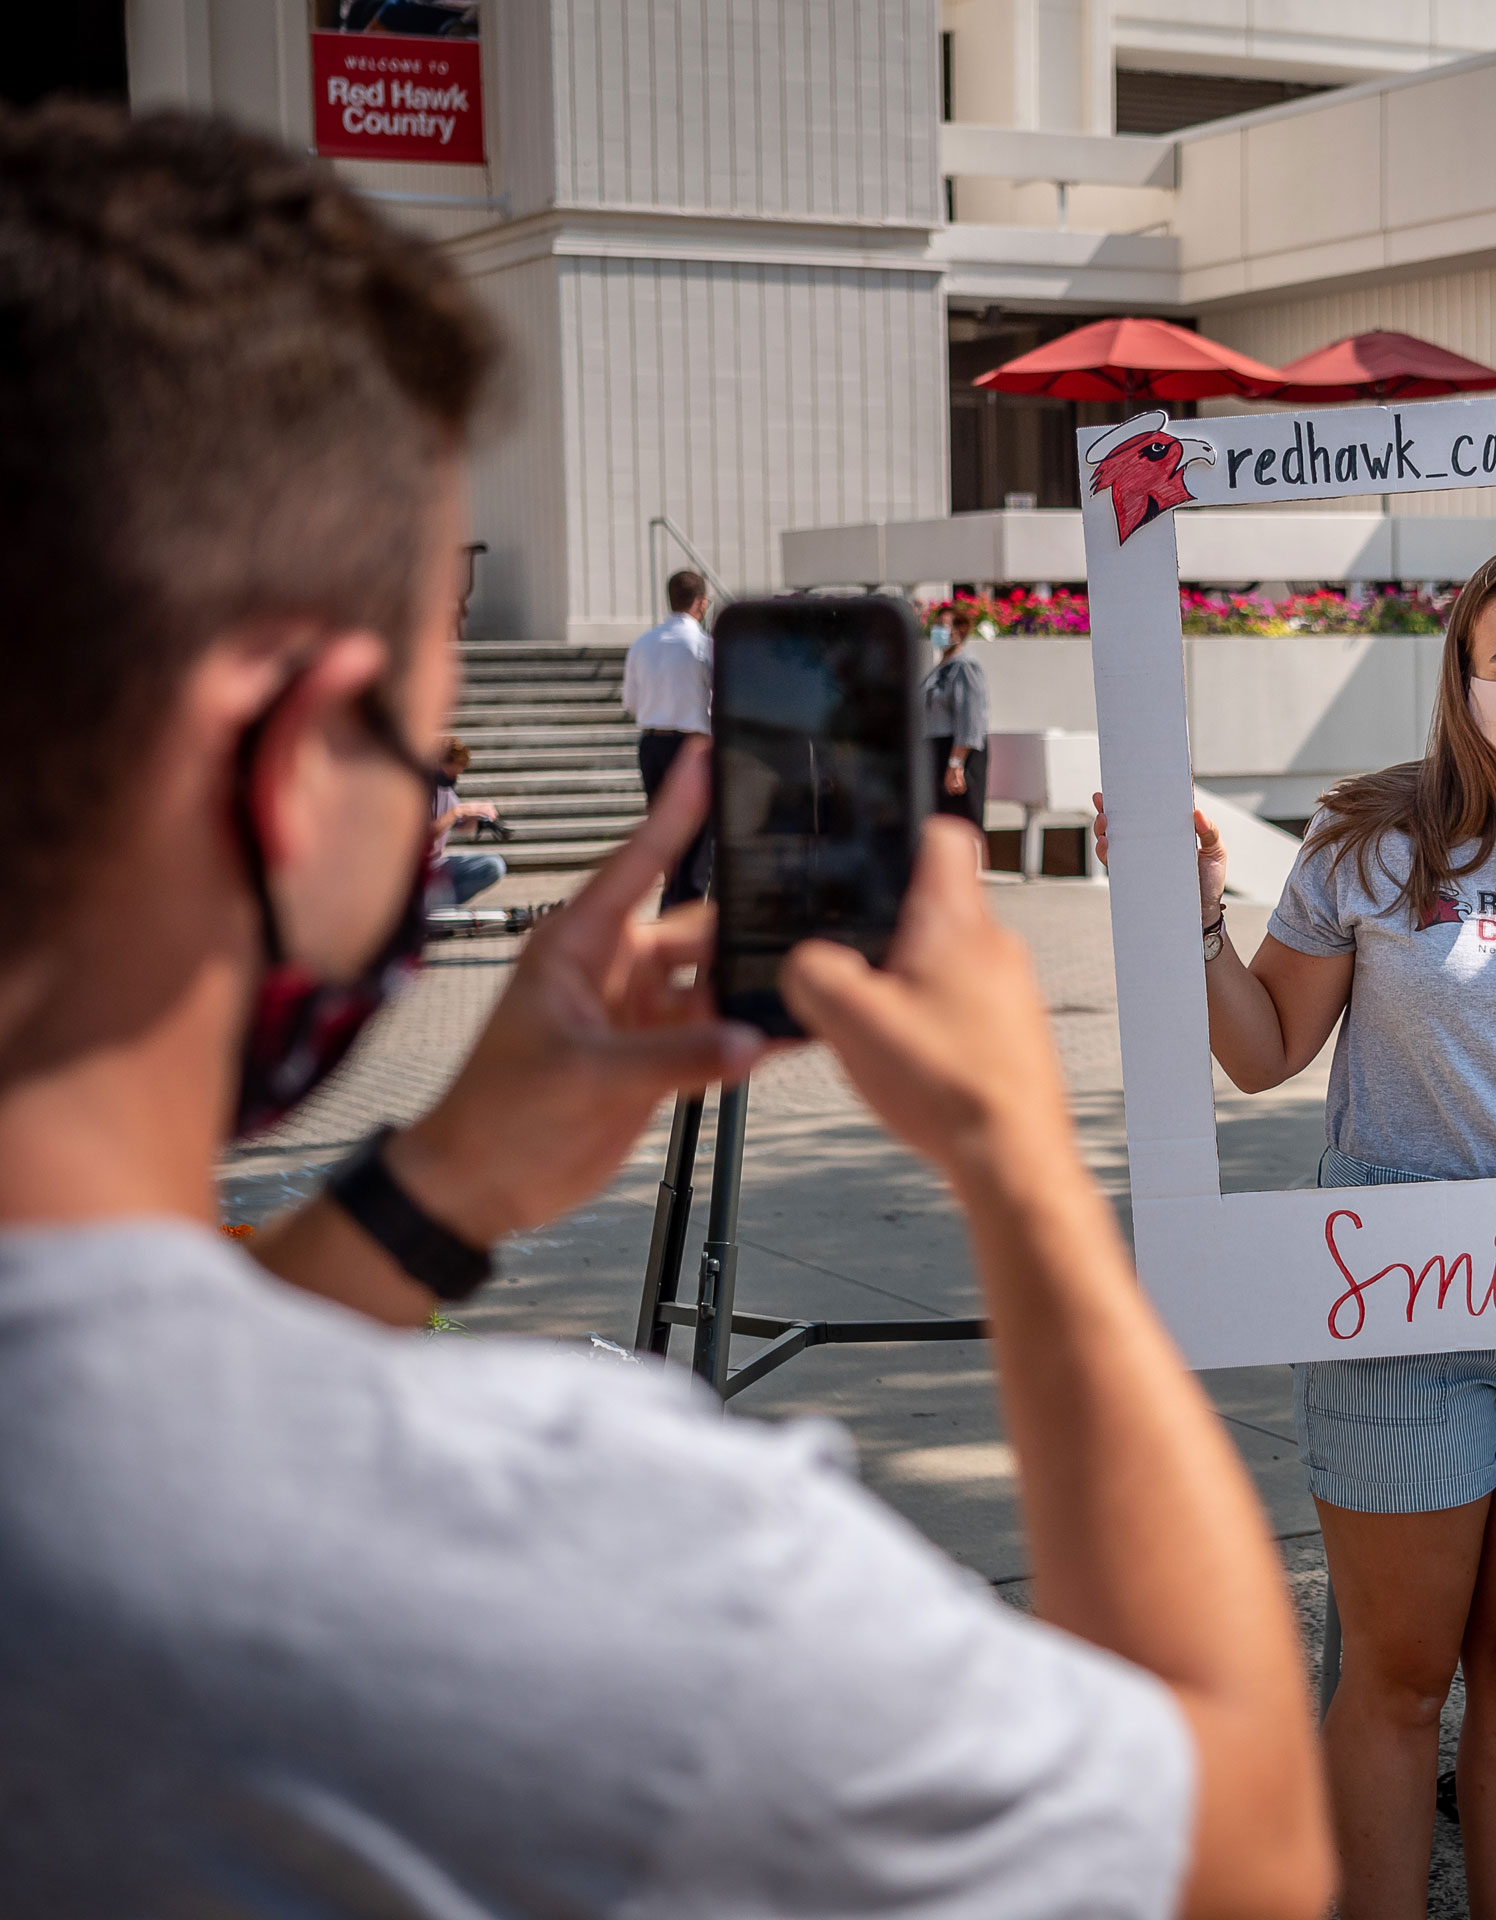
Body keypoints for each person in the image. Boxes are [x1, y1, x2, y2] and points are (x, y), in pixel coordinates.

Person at [0, 103, 1330, 1919]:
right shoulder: (579, 1552)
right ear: (300, 767)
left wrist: (430, 1192)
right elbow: (1240, 1839)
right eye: (431, 706)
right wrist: (1024, 1167)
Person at [1097, 539, 1496, 1920]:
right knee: (1394, 1679)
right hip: (1396, 1310)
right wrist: (1188, 913)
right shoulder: (1377, 843)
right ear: (1465, 682)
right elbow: (1261, 1053)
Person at [623, 569, 715, 907]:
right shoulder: (703, 646)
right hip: (690, 744)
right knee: (696, 838)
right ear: (701, 603)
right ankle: (681, 915)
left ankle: (670, 905)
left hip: (651, 745)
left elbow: (631, 703)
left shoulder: (642, 643)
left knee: (666, 836)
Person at [922, 613, 990, 831]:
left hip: (956, 752)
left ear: (959, 630)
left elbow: (970, 717)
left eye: (942, 626)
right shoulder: (942, 667)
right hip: (936, 749)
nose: (937, 632)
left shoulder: (964, 666)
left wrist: (955, 763)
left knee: (961, 821)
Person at [429, 735, 507, 906]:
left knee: (493, 865)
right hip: (409, 876)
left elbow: (458, 825)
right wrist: (460, 811)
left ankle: (442, 909)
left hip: (436, 865)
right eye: (451, 773)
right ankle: (435, 910)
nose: (454, 778)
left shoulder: (446, 792)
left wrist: (479, 820)